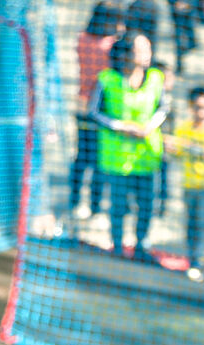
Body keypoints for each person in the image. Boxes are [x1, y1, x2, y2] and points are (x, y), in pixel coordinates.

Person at [89, 32, 169, 260]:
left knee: (146, 204)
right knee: (118, 205)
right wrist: (120, 126)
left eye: (148, 49)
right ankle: (116, 246)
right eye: (140, 49)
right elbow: (93, 112)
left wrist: (149, 127)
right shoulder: (107, 79)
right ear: (126, 53)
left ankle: (141, 246)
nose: (146, 55)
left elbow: (163, 108)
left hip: (147, 155)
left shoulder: (156, 77)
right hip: (116, 158)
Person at [71, 3, 123, 221]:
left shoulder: (82, 38)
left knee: (82, 157)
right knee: (98, 159)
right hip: (102, 108)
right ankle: (94, 204)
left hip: (82, 105)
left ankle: (74, 199)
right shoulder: (110, 45)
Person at [169, 86, 204, 279]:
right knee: (191, 224)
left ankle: (203, 261)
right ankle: (192, 259)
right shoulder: (183, 128)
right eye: (198, 107)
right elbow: (177, 151)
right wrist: (172, 149)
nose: (202, 112)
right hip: (189, 184)